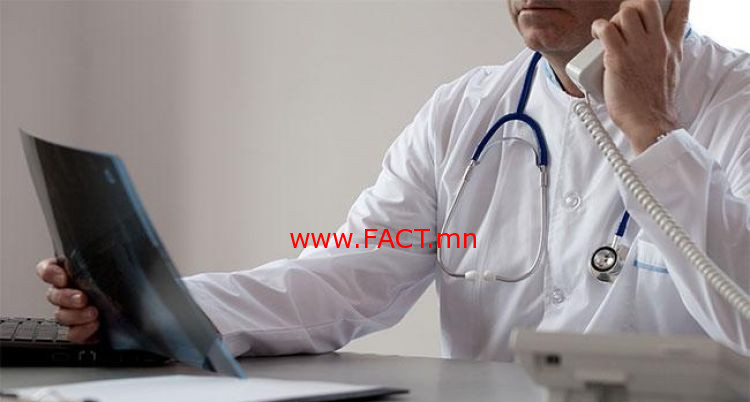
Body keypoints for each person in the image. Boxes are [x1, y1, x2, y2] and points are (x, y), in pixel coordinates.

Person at [37, 0, 750, 359]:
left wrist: (653, 128)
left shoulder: (735, 105)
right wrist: (155, 303)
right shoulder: (466, 111)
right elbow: (349, 275)